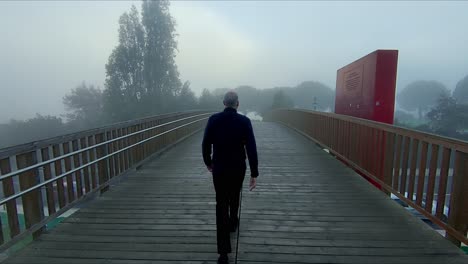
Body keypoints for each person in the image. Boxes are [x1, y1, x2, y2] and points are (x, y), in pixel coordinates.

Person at [202, 91, 259, 264]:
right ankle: (233, 221)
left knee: (221, 204)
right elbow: (251, 148)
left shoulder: (213, 120)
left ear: (224, 103)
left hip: (219, 167)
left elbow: (205, 144)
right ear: (237, 104)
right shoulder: (244, 121)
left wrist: (208, 162)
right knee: (235, 195)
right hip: (237, 168)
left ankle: (223, 253)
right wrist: (254, 173)